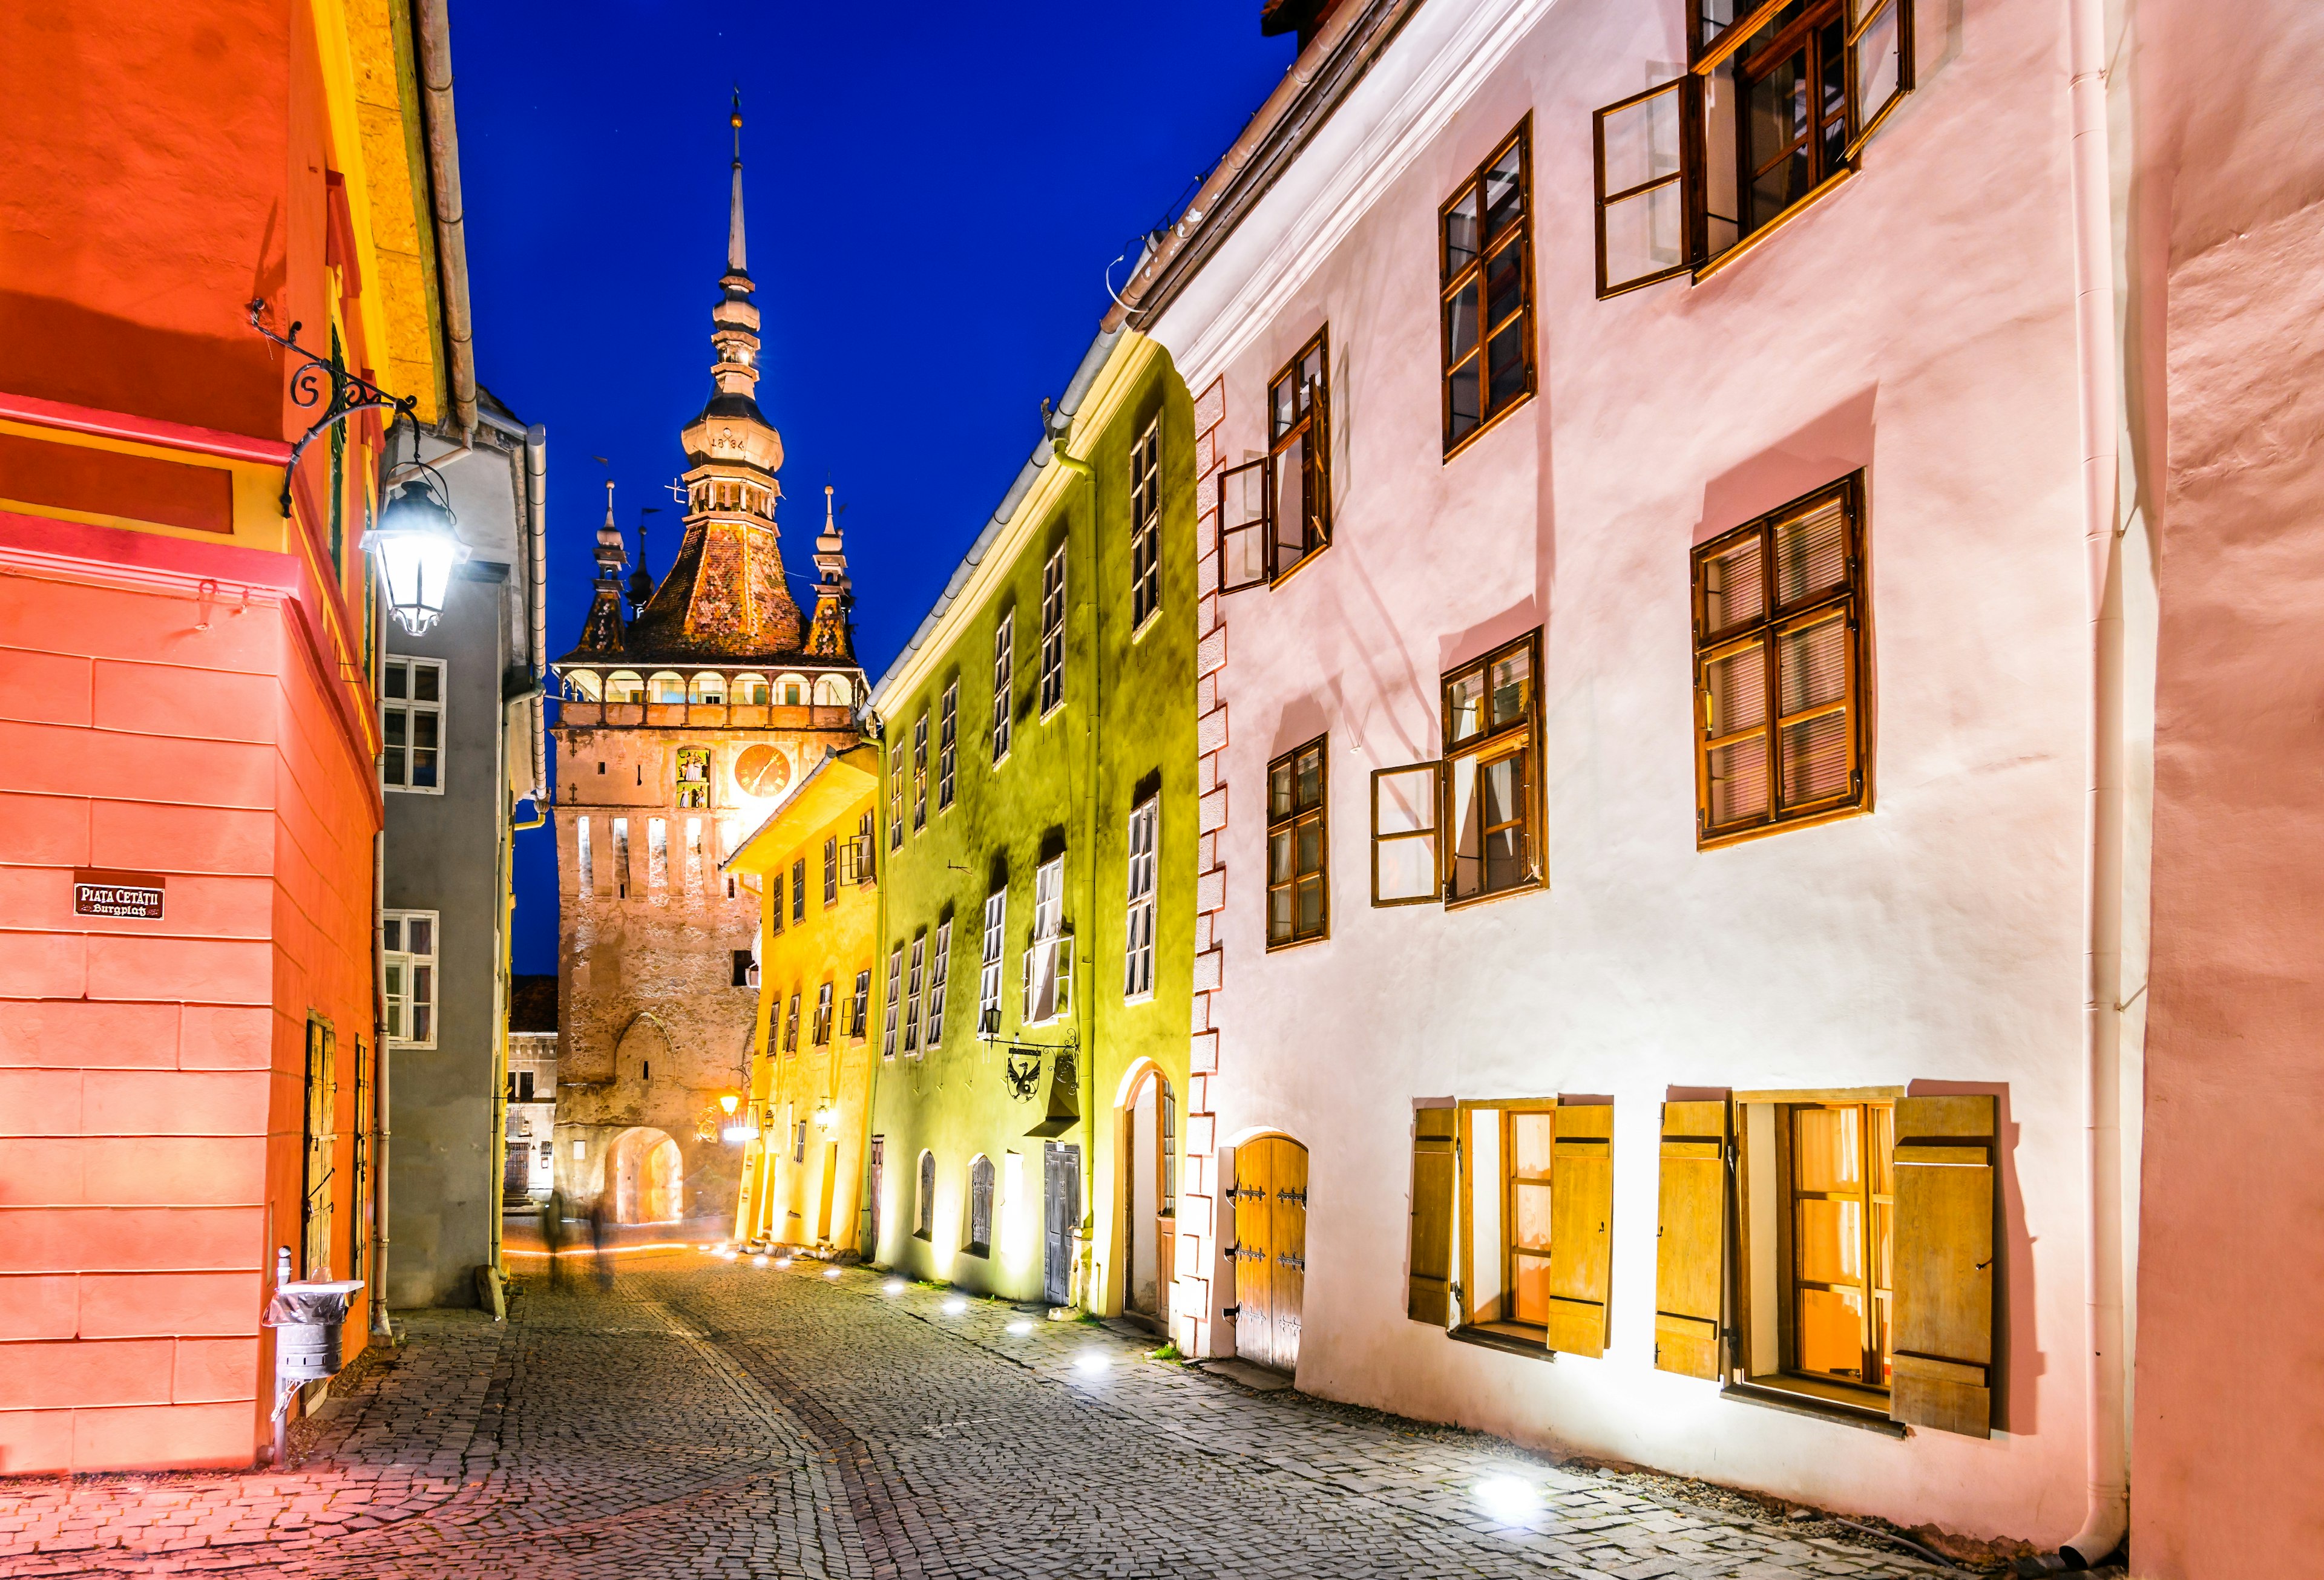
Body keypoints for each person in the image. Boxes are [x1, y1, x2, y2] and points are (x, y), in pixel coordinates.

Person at [541, 1188, 568, 1288]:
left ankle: (554, 1277)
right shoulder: (558, 1204)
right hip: (556, 1234)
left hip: (552, 1235)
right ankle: (557, 1277)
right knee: (557, 1257)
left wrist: (545, 1233)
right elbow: (560, 1219)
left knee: (554, 1257)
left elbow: (545, 1220)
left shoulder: (549, 1205)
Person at [588, 1192, 613, 1290]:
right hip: (602, 1235)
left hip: (599, 1234)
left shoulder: (597, 1210)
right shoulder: (602, 1210)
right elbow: (605, 1220)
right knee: (603, 1258)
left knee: (601, 1257)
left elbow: (593, 1222)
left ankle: (604, 1279)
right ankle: (605, 1279)